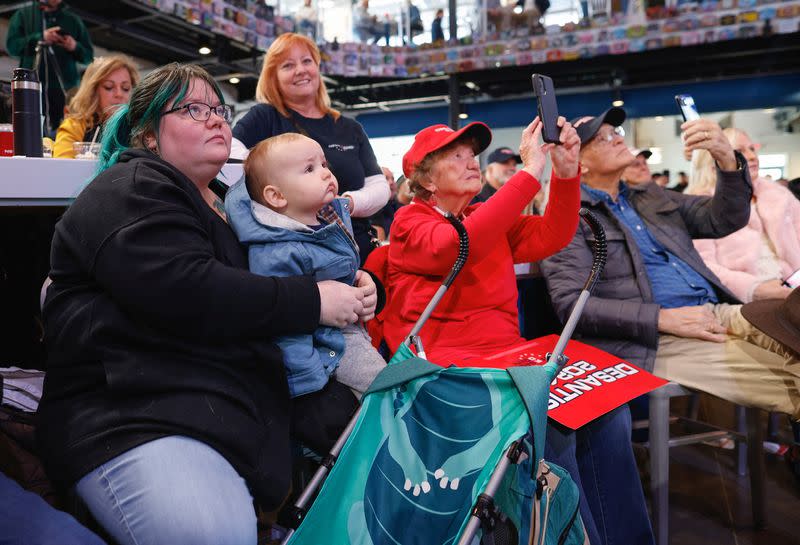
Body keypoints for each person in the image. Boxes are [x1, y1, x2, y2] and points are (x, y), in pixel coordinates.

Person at [36, 63, 377, 545]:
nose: (215, 118)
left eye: (218, 108)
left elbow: (285, 270)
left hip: (225, 412)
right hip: (136, 417)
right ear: (149, 134)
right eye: (194, 109)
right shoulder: (131, 188)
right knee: (209, 533)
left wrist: (355, 284)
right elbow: (186, 288)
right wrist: (313, 300)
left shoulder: (231, 203)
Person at [381, 118, 654, 545]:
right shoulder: (409, 221)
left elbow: (552, 235)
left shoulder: (481, 217)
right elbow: (457, 246)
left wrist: (565, 174)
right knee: (552, 424)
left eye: (472, 154)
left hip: (506, 360)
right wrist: (529, 174)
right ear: (425, 179)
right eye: (456, 156)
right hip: (446, 372)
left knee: (607, 413)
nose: (471, 161)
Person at [541, 107, 800, 425]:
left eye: (616, 133)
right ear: (577, 160)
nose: (618, 140)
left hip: (714, 311)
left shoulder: (647, 196)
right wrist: (662, 318)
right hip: (653, 337)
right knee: (792, 379)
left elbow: (724, 218)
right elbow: (572, 307)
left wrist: (727, 161)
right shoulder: (566, 215)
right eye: (602, 138)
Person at [225, 133, 386, 398]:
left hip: (348, 332)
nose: (325, 173)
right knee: (388, 392)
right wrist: (306, 384)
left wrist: (359, 279)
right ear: (276, 196)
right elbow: (284, 325)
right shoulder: (278, 252)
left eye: (324, 165)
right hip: (327, 348)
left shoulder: (325, 222)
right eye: (309, 169)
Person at [231, 33, 390, 264]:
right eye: (288, 65)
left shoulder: (349, 127)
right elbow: (230, 155)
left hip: (358, 248)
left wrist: (343, 204)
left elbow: (378, 186)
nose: (300, 70)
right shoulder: (265, 117)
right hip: (295, 252)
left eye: (307, 61)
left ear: (317, 67)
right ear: (273, 77)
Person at [686, 127, 800, 303]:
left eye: (752, 148)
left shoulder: (780, 195)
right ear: (715, 160)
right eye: (739, 152)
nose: (752, 156)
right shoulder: (700, 204)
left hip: (792, 289)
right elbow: (702, 265)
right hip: (743, 300)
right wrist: (754, 289)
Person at [5, 0, 93, 133]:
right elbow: (12, 47)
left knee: (67, 131)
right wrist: (40, 38)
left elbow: (88, 56)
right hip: (31, 89)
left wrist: (74, 46)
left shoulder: (73, 20)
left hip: (65, 91)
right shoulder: (24, 15)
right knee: (29, 132)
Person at [53, 55, 139, 158]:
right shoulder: (75, 126)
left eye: (125, 88)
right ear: (92, 91)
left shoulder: (138, 129)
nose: (119, 94)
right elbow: (62, 167)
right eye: (109, 87)